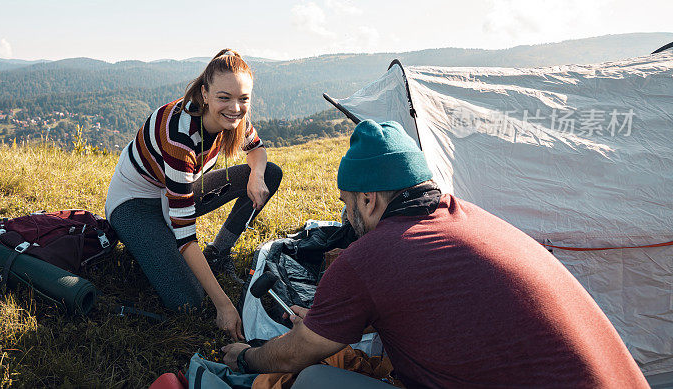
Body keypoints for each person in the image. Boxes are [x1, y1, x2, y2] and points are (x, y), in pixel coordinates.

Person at [223, 120, 649, 388]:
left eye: (346, 202)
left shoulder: (370, 256)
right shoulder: (471, 219)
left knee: (316, 380)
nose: (345, 214)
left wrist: (248, 356)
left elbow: (299, 352)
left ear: (368, 199)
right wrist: (328, 323)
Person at [106, 49, 282, 340]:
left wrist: (257, 176)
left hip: (176, 190)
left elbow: (257, 150)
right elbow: (185, 235)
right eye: (224, 97)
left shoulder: (233, 119)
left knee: (271, 172)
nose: (235, 107)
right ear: (205, 93)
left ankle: (217, 251)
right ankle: (146, 243)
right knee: (189, 302)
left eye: (243, 99)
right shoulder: (181, 136)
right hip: (135, 204)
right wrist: (224, 305)